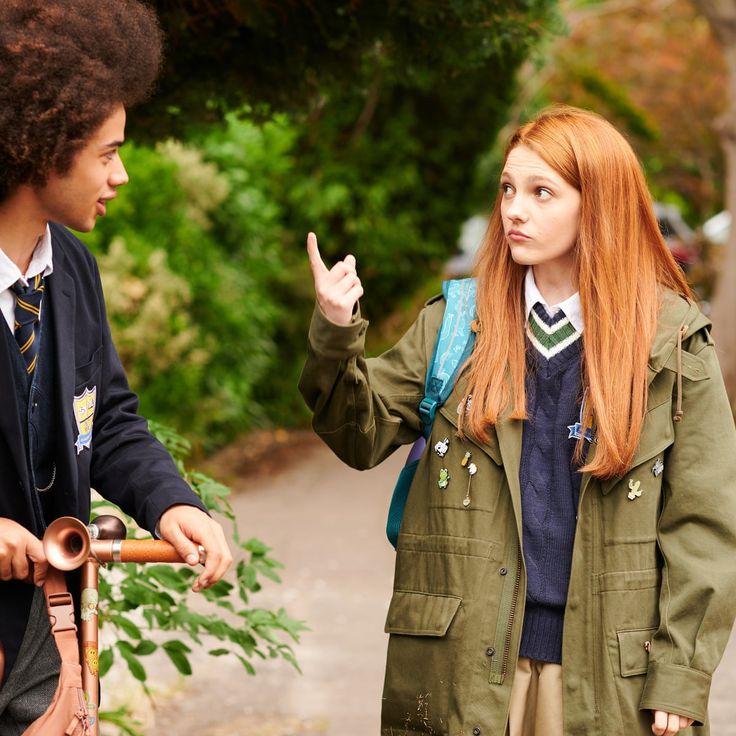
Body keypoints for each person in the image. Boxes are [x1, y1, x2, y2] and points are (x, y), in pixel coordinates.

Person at [300, 105, 736, 736]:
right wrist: (337, 331)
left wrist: (680, 674)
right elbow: (357, 434)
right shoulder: (457, 324)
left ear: (600, 204)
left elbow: (705, 525)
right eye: (508, 189)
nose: (514, 210)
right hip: (464, 668)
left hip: (608, 679)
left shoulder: (669, 342)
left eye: (541, 192)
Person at [0, 0, 232, 729]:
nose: (122, 174)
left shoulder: (73, 268)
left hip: (38, 642)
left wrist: (174, 504)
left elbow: (111, 420)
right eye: (107, 151)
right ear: (40, 145)